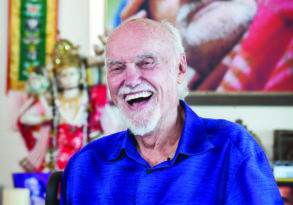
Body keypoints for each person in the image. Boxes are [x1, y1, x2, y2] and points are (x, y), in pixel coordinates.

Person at [61, 19, 282, 204]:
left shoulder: (232, 149)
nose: (130, 80)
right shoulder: (85, 166)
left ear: (179, 68)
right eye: (117, 67)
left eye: (146, 63)